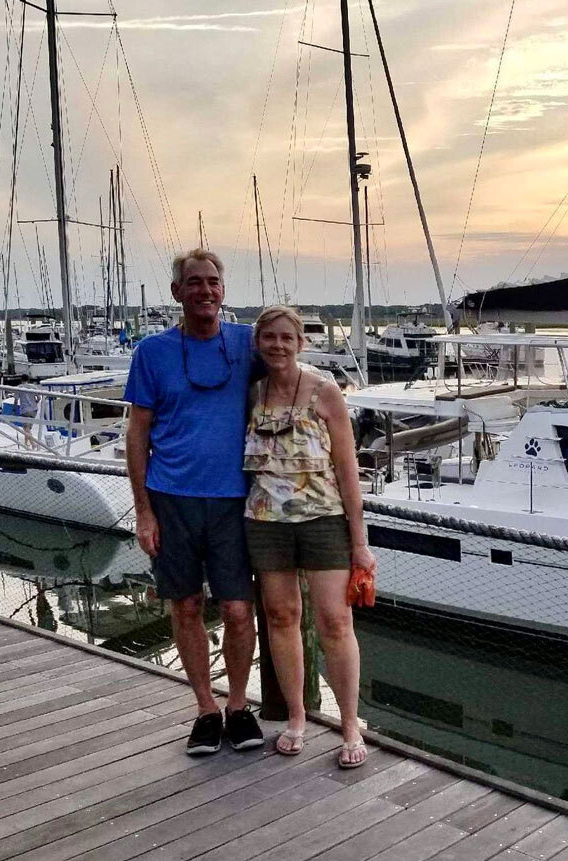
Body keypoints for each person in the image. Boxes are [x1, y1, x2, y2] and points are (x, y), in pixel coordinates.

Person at [125, 249, 263, 755]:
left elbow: (293, 379)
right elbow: (137, 434)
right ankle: (206, 709)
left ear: (223, 290)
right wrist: (143, 510)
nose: (205, 290)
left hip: (234, 500)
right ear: (176, 292)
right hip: (171, 498)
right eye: (194, 282)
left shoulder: (248, 344)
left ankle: (240, 705)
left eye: (213, 282)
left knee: (237, 609)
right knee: (185, 606)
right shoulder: (152, 353)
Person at [244, 305, 376, 768]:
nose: (277, 345)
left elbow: (347, 468)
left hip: (323, 519)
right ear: (258, 342)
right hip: (265, 521)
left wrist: (359, 542)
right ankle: (297, 717)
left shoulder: (324, 390)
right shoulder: (253, 392)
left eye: (287, 337)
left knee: (335, 622)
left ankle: (349, 724)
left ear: (301, 343)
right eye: (269, 337)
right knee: (281, 617)